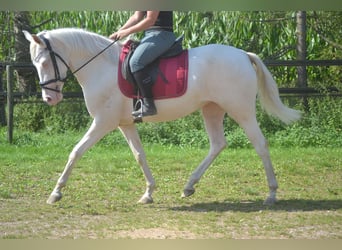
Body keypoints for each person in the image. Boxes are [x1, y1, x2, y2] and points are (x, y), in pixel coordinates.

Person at [109, 11, 176, 118]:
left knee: (136, 62)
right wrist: (119, 32)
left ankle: (149, 104)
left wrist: (127, 32)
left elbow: (150, 20)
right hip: (150, 35)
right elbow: (136, 16)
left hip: (162, 34)